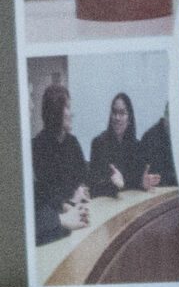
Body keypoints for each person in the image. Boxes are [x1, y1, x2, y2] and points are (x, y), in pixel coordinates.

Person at [29, 83, 91, 244]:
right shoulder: (36, 147)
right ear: (56, 112)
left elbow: (84, 177)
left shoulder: (73, 142)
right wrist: (68, 203)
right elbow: (43, 196)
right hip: (54, 227)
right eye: (68, 107)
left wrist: (82, 189)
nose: (72, 113)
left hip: (77, 214)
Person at [88, 90, 152, 195]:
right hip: (107, 206)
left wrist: (142, 183)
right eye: (114, 112)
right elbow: (93, 187)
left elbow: (135, 181)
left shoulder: (137, 146)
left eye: (122, 113)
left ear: (129, 118)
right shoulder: (98, 143)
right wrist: (114, 184)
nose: (117, 118)